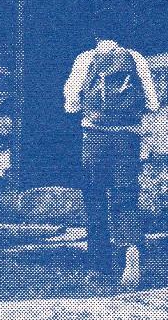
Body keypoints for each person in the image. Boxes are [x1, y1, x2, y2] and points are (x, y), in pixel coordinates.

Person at [63, 36, 159, 289]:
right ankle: (131, 250)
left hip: (95, 136)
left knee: (95, 197)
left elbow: (71, 104)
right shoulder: (135, 58)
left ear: (95, 36)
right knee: (125, 196)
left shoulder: (85, 59)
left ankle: (98, 266)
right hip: (127, 137)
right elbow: (152, 102)